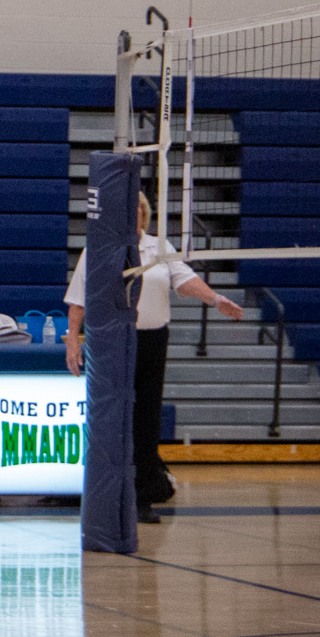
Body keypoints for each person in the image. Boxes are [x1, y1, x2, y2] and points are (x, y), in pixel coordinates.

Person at [64, 193, 242, 523]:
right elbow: (78, 300)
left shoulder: (159, 248)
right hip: (114, 341)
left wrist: (215, 299)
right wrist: (73, 341)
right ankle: (105, 493)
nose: (133, 215)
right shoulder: (99, 248)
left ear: (144, 214)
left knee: (146, 418)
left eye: (138, 209)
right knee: (113, 417)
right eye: (127, 209)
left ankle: (142, 497)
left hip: (152, 341)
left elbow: (185, 281)